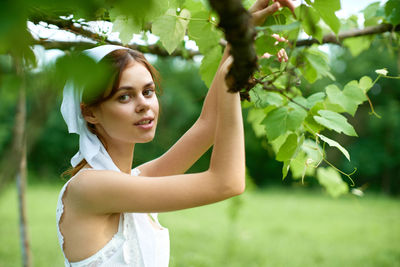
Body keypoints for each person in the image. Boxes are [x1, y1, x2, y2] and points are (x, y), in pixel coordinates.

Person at [56, 1, 291, 266]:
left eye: (148, 91)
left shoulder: (135, 180)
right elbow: (228, 182)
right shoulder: (90, 187)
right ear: (90, 113)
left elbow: (208, 124)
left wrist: (239, 37)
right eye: (124, 96)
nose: (143, 103)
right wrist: (232, 76)